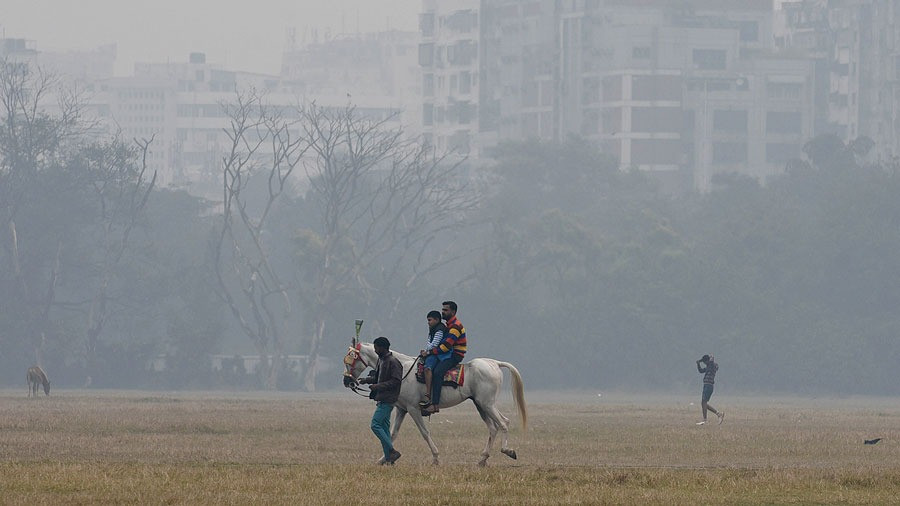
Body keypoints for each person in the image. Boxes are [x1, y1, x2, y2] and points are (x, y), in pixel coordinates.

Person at [357, 336, 403, 464]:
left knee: (375, 425)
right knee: (384, 429)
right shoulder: (382, 361)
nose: (375, 350)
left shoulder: (393, 362)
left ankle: (392, 451)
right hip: (382, 398)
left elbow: (395, 381)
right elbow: (378, 378)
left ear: (382, 347)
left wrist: (377, 386)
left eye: (376, 347)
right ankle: (389, 460)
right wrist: (366, 380)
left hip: (388, 400)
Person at [423, 301, 467, 415]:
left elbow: (446, 346)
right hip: (446, 353)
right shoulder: (448, 325)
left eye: (446, 310)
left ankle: (435, 404)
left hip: (455, 355)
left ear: (453, 311)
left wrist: (429, 352)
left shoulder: (455, 326)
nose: (443, 312)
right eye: (442, 309)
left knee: (437, 372)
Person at [419, 310, 451, 409]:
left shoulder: (440, 330)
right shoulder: (432, 329)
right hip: (432, 351)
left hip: (439, 354)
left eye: (430, 320)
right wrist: (425, 350)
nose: (428, 322)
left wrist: (427, 352)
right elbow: (429, 342)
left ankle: (428, 393)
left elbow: (435, 344)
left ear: (437, 320)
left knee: (427, 368)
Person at [696, 354, 724, 425]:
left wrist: (711, 357)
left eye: (705, 362)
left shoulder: (712, 366)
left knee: (703, 402)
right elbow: (701, 371)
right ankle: (719, 414)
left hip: (709, 385)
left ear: (708, 361)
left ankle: (705, 420)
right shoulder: (708, 367)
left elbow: (712, 360)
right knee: (704, 403)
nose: (705, 364)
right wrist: (698, 364)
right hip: (706, 385)